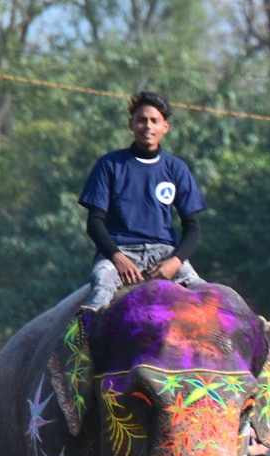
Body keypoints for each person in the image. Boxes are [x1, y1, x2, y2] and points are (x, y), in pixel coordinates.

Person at [79, 90, 205, 310]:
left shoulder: (176, 168)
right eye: (141, 120)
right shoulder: (109, 165)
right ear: (131, 124)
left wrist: (175, 262)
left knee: (207, 295)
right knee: (101, 287)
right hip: (119, 252)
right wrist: (117, 257)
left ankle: (269, 335)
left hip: (164, 254)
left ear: (165, 127)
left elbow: (193, 228)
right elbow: (94, 223)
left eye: (154, 121)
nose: (148, 126)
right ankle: (80, 337)